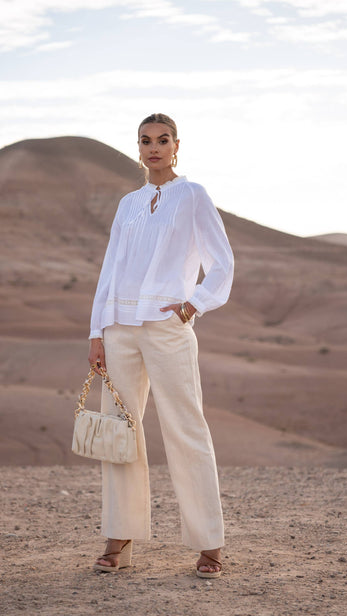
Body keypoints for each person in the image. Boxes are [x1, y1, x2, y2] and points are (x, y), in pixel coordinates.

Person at [87, 113, 234, 577]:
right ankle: (119, 539)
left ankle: (209, 543)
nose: (154, 147)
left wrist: (194, 306)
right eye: (145, 140)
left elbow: (222, 261)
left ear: (176, 146)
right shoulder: (128, 203)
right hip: (120, 328)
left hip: (169, 327)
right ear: (138, 148)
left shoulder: (192, 196)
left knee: (186, 428)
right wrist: (97, 331)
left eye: (162, 139)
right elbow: (110, 269)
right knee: (119, 434)